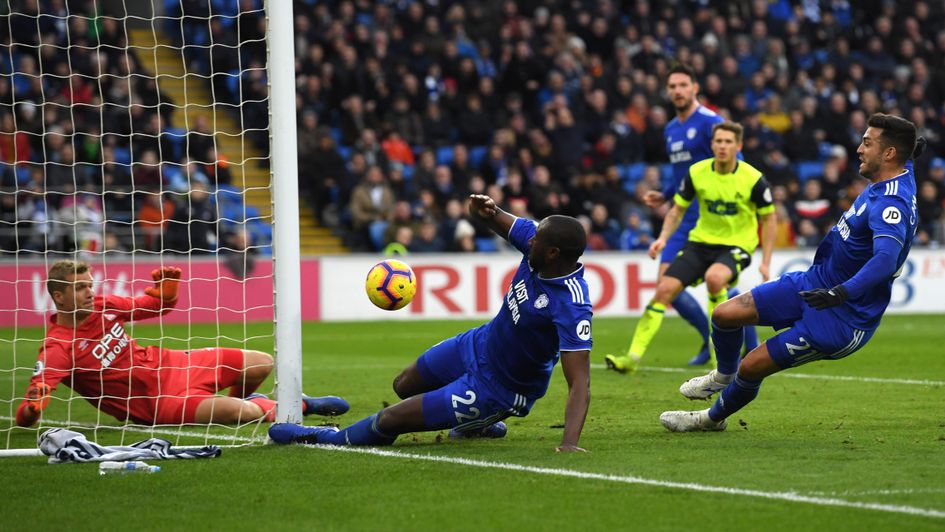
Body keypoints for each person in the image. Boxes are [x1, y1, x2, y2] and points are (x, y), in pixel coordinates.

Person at [660, 115, 923, 432]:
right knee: (724, 315)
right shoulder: (891, 176)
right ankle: (721, 375)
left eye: (867, 143)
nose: (858, 149)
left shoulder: (891, 201)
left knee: (753, 365)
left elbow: (884, 260)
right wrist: (913, 146)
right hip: (813, 284)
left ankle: (709, 419)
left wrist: (841, 292)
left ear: (890, 154)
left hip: (842, 317)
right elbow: (905, 154)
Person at [270, 194, 593, 452]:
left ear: (552, 253)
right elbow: (496, 219)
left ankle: (326, 438)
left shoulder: (571, 304)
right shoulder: (539, 243)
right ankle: (477, 424)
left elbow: (579, 383)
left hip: (500, 387)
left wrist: (568, 444)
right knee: (403, 386)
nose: (529, 239)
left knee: (391, 419)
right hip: (479, 343)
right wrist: (487, 209)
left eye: (536, 240)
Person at [15, 260, 349, 427]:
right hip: (157, 402)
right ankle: (298, 407)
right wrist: (31, 409)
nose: (90, 292)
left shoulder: (103, 305)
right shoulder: (57, 348)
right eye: (79, 288)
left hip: (173, 364)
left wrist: (168, 293)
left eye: (89, 285)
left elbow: (156, 307)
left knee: (261, 361)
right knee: (241, 413)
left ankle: (263, 402)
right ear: (58, 296)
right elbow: (28, 410)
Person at [605, 121, 776, 373]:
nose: (722, 146)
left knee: (715, 279)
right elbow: (677, 210)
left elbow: (769, 218)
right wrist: (662, 238)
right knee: (664, 290)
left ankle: (720, 362)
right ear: (711, 144)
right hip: (700, 242)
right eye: (718, 141)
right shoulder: (697, 172)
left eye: (728, 142)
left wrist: (765, 261)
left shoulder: (753, 179)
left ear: (738, 146)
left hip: (737, 245)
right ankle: (631, 358)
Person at [638, 64, 759, 366]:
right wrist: (665, 194)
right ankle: (713, 338)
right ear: (667, 92)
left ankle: (743, 339)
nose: (677, 91)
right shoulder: (670, 129)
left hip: (711, 216)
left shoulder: (710, 122)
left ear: (694, 88)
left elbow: (736, 164)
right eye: (672, 86)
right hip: (683, 215)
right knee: (668, 287)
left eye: (683, 85)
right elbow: (685, 172)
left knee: (715, 280)